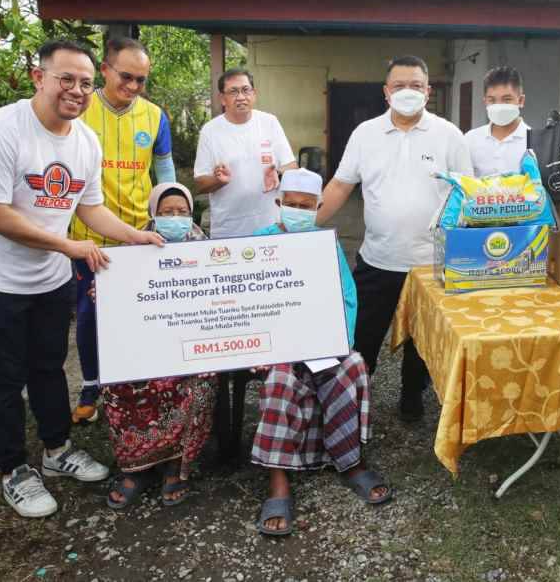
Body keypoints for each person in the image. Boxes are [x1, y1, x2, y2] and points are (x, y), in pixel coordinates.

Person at [0, 40, 165, 518]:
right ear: (39, 77)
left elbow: (89, 209)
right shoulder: (0, 131)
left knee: (49, 367)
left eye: (85, 83)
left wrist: (135, 236)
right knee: (3, 378)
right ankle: (13, 470)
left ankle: (56, 450)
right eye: (65, 79)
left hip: (48, 277)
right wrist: (68, 247)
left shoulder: (84, 142)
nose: (76, 90)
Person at [317, 56, 473, 421]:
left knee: (421, 341)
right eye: (399, 85)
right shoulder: (365, 134)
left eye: (416, 86)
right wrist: (305, 223)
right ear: (386, 93)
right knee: (362, 336)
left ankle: (411, 397)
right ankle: (352, 398)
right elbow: (341, 185)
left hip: (431, 265)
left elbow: (466, 193)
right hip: (378, 259)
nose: (408, 92)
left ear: (428, 92)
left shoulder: (449, 135)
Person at [250, 169, 390, 536]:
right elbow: (247, 300)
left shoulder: (325, 243)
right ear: (279, 205)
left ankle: (350, 461)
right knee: (279, 376)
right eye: (290, 205)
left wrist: (334, 340)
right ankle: (278, 481)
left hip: (320, 341)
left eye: (305, 206)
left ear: (317, 207)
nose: (297, 210)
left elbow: (346, 297)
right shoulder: (257, 244)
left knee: (355, 364)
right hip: (277, 344)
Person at [69, 37, 177, 425]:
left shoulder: (154, 116)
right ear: (105, 70)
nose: (133, 87)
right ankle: (91, 385)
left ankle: (139, 383)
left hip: (142, 236)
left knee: (145, 313)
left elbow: (164, 172)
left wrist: (171, 217)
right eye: (126, 77)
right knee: (89, 314)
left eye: (141, 80)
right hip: (89, 237)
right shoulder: (78, 112)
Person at [100, 183, 218, 508]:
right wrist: (105, 295)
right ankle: (138, 467)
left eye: (183, 212)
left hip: (191, 341)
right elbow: (120, 299)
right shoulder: (132, 247)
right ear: (154, 213)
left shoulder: (206, 250)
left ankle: (175, 467)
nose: (176, 218)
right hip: (144, 342)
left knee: (201, 378)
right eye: (167, 213)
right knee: (120, 380)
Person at [193, 69, 297, 238]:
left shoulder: (269, 122)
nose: (241, 97)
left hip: (270, 224)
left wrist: (278, 174)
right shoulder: (210, 131)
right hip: (228, 228)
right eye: (233, 91)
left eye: (246, 90)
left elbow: (291, 166)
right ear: (222, 99)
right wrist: (218, 181)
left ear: (254, 94)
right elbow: (200, 183)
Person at [466, 66, 529, 177]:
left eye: (507, 99)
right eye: (492, 100)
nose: (499, 106)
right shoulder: (470, 140)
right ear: (485, 102)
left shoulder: (534, 142)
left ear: (521, 100)